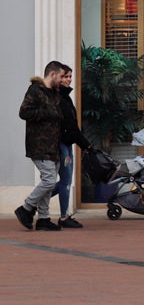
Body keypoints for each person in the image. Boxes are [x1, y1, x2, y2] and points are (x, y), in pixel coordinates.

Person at [15, 61, 66, 231]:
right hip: (39, 145)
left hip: (53, 145)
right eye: (61, 76)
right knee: (49, 180)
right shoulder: (35, 90)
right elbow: (24, 112)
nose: (63, 80)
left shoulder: (54, 93)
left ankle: (43, 218)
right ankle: (26, 208)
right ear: (52, 74)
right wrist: (46, 112)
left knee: (48, 183)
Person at [53, 63, 92, 228]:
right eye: (65, 76)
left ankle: (33, 203)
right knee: (65, 180)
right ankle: (62, 216)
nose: (68, 79)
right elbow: (69, 127)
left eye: (70, 76)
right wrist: (85, 144)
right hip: (62, 143)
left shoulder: (66, 97)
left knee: (65, 181)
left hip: (67, 143)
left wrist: (83, 143)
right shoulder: (58, 98)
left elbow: (72, 125)